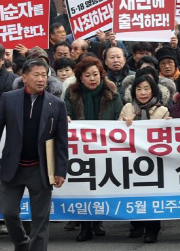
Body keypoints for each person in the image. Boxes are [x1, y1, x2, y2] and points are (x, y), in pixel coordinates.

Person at [0, 59, 69, 251]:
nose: (40, 79)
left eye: (44, 76)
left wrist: (60, 170)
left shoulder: (56, 104)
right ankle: (22, 243)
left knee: (40, 219)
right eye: (36, 75)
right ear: (24, 77)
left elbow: (62, 142)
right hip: (13, 166)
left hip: (41, 168)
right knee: (8, 212)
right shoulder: (9, 98)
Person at [64, 56, 123, 242]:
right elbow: (65, 113)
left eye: (95, 75)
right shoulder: (71, 93)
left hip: (106, 146)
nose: (92, 79)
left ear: (101, 75)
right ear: (80, 77)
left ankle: (97, 222)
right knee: (84, 185)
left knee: (102, 183)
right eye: (87, 75)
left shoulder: (112, 92)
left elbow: (118, 117)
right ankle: (85, 226)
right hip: (80, 147)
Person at [119, 75, 170, 243]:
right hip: (131, 159)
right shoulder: (127, 107)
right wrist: (123, 123)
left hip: (154, 161)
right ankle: (137, 225)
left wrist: (169, 125)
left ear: (153, 90)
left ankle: (152, 229)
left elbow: (168, 135)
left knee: (152, 194)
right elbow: (115, 131)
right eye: (139, 89)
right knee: (133, 191)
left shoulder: (162, 110)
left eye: (146, 88)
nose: (143, 92)